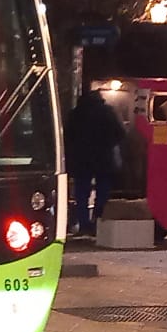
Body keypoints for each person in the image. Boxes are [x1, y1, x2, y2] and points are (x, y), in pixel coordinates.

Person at [66, 88, 126, 237]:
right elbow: (120, 132)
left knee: (81, 194)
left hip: (82, 159)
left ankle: (83, 224)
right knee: (102, 193)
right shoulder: (108, 112)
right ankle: (99, 222)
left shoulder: (76, 113)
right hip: (103, 158)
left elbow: (67, 136)